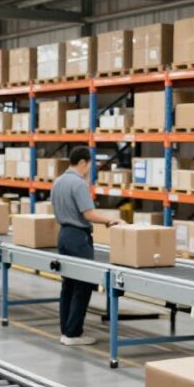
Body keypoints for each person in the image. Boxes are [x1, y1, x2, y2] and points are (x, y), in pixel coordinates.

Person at [51, 146, 121, 346]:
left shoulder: (58, 182)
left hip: (63, 234)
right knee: (83, 285)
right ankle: (73, 333)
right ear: (82, 162)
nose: (90, 169)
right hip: (77, 237)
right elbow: (88, 214)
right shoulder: (78, 184)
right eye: (90, 165)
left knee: (69, 284)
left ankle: (66, 331)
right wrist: (110, 220)